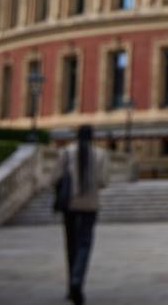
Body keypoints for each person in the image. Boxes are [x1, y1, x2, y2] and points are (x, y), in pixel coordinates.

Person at [59, 124, 108, 305]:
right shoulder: (100, 154)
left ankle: (71, 285)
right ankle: (77, 281)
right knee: (84, 246)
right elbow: (103, 181)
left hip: (69, 206)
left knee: (70, 245)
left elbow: (54, 178)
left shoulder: (66, 152)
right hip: (89, 206)